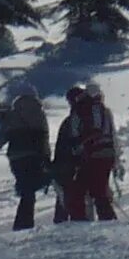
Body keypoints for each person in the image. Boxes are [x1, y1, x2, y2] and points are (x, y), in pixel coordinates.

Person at [0, 89, 52, 230]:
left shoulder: (13, 115)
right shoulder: (39, 114)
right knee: (30, 189)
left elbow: (1, 138)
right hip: (34, 156)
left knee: (26, 188)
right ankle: (24, 223)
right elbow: (44, 138)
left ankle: (22, 222)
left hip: (16, 158)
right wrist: (47, 158)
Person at [59, 82, 120, 222]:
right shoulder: (104, 110)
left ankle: (82, 220)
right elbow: (112, 135)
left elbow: (81, 134)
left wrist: (80, 146)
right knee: (98, 188)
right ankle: (107, 218)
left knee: (83, 189)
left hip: (93, 155)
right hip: (107, 153)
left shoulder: (83, 110)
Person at [51, 87, 88, 221]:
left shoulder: (71, 119)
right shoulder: (85, 116)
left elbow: (62, 144)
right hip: (78, 161)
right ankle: (79, 219)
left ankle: (63, 221)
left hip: (65, 162)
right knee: (78, 193)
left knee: (64, 194)